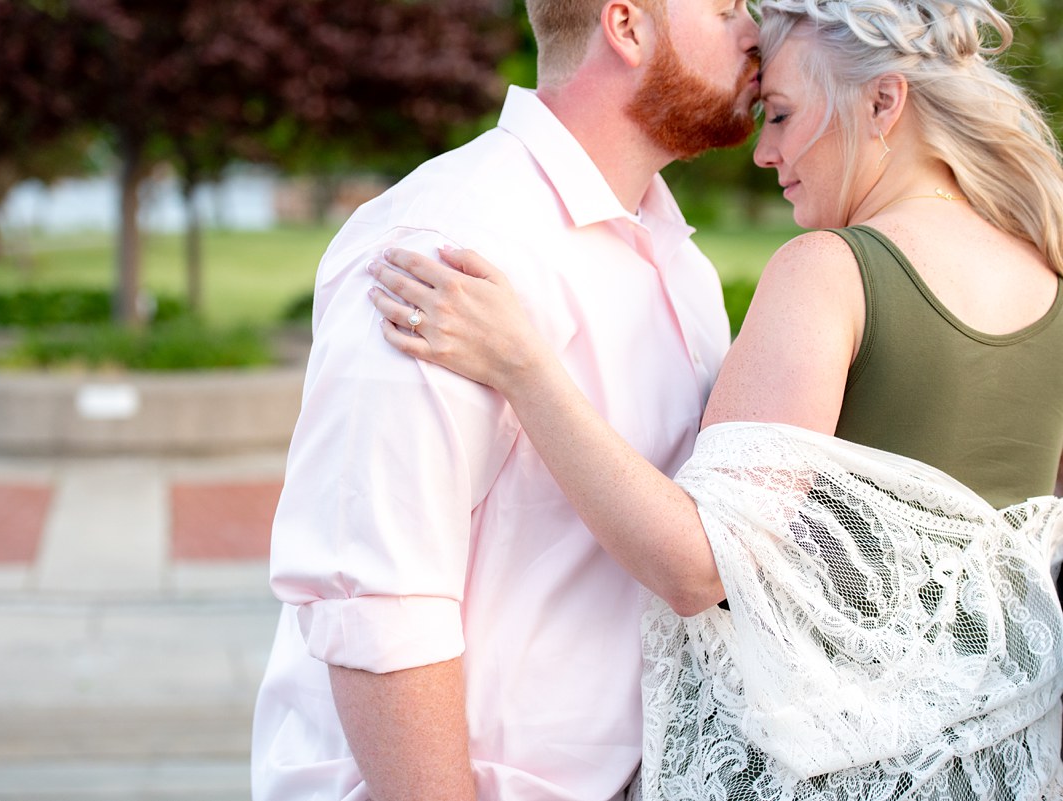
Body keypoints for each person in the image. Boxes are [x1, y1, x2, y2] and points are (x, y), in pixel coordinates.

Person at [366, 0, 1063, 797]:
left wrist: (523, 364)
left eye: (785, 114)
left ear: (883, 103)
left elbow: (700, 566)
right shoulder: (1045, 270)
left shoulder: (831, 272)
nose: (765, 151)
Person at [250, 2, 761, 799]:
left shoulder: (680, 264)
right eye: (727, 5)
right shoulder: (445, 247)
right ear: (627, 26)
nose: (755, 29)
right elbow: (377, 602)